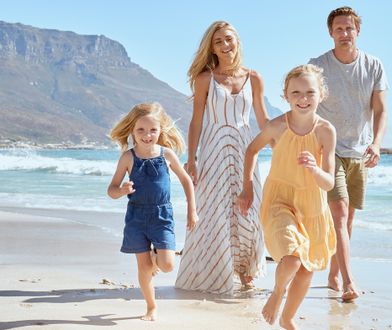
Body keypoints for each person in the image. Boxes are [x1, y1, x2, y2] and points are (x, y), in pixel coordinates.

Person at [237, 64, 338, 329]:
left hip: (312, 204)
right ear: (286, 96)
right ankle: (277, 292)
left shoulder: (326, 131)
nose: (303, 99)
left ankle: (287, 317)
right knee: (292, 258)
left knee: (307, 268)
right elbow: (251, 150)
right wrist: (247, 186)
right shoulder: (277, 127)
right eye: (296, 93)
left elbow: (328, 183)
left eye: (309, 92)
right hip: (279, 200)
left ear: (321, 95)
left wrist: (315, 169)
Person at [177, 20, 269, 294]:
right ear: (212, 48)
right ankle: (216, 269)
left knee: (250, 208)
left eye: (229, 39)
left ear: (237, 41)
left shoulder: (254, 78)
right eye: (219, 42)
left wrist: (285, 139)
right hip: (214, 147)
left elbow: (263, 118)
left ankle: (246, 269)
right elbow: (196, 121)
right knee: (214, 209)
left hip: (245, 148)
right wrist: (191, 159)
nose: (225, 45)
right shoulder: (205, 79)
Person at [307, 6, 387, 303]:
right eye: (338, 29)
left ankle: (333, 273)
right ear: (330, 32)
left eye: (349, 28)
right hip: (329, 150)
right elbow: (304, 102)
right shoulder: (317, 66)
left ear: (357, 31)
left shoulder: (373, 65)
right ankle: (349, 282)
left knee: (348, 220)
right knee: (339, 215)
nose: (344, 34)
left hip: (359, 151)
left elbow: (380, 110)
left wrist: (377, 143)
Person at [104, 102, 198, 321]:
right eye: (141, 130)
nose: (147, 135)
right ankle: (151, 307)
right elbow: (111, 190)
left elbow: (186, 180)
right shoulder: (128, 158)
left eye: (153, 130)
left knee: (166, 265)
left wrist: (192, 210)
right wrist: (122, 190)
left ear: (161, 130)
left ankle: (154, 262)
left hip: (162, 216)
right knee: (144, 268)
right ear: (132, 131)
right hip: (136, 218)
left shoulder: (167, 154)